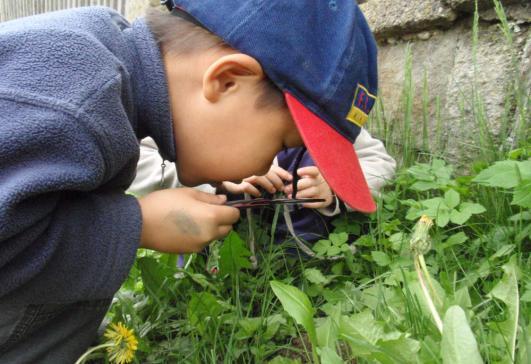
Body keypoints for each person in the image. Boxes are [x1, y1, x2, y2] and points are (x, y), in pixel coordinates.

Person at [0, 1, 379, 362]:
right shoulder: (75, 100)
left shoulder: (111, 69)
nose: (269, 163)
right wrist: (137, 225)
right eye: (281, 143)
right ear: (227, 80)